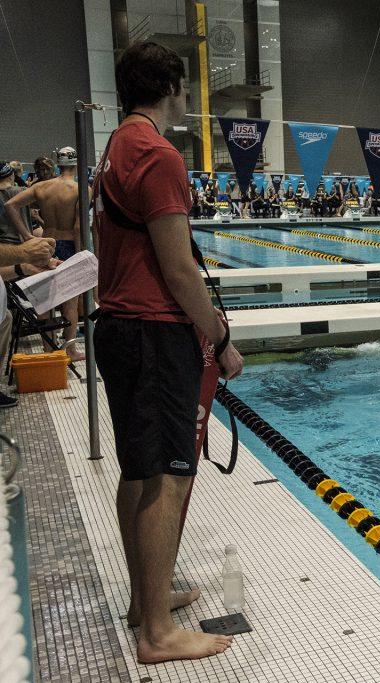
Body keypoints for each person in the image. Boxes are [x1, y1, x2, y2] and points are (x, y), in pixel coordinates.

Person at [93, 41, 241, 664]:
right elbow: (180, 271)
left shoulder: (118, 145)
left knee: (138, 469)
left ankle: (143, 601)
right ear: (172, 87)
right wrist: (221, 337)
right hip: (154, 333)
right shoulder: (158, 154)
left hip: (122, 327)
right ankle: (156, 632)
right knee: (166, 477)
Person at [4, 147, 85, 360]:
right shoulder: (80, 189)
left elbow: (10, 205)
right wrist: (81, 254)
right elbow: (78, 228)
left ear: (58, 164)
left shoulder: (42, 187)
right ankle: (70, 350)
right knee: (70, 303)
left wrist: (28, 236)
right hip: (68, 245)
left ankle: (49, 349)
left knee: (45, 301)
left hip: (45, 245)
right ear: (76, 164)